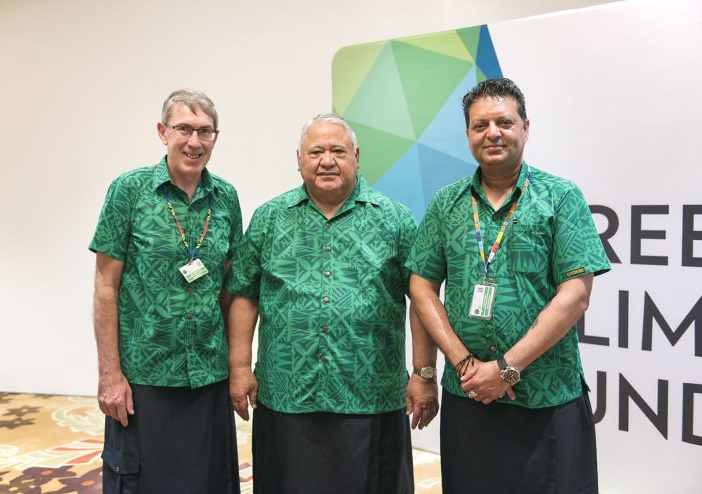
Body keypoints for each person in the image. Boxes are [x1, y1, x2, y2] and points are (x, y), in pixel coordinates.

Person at [407, 78, 611, 494]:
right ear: (467, 134)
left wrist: (506, 369)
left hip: (547, 396)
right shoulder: (446, 203)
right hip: (469, 397)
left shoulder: (560, 197)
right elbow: (421, 288)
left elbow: (575, 295)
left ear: (525, 127)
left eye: (504, 121)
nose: (492, 133)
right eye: (480, 125)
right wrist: (461, 366)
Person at [225, 113, 439, 494]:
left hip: (370, 395)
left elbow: (421, 299)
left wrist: (424, 375)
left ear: (356, 156)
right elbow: (245, 294)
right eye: (316, 151)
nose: (327, 160)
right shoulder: (269, 219)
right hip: (287, 393)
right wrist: (239, 367)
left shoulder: (395, 220)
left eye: (338, 151)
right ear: (299, 159)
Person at [89, 89, 242, 493]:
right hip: (144, 376)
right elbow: (106, 286)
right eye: (184, 129)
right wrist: (110, 374)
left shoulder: (226, 198)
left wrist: (235, 365)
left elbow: (228, 287)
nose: (194, 142)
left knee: (207, 482)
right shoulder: (129, 190)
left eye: (204, 132)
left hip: (207, 374)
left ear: (215, 137)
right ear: (163, 132)